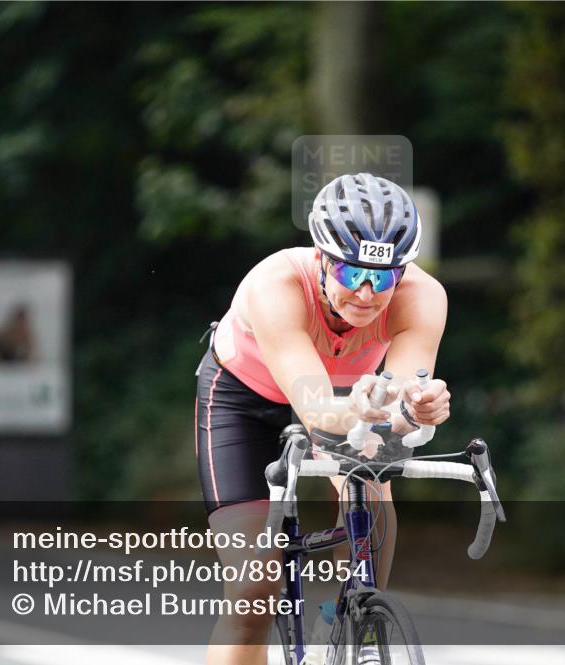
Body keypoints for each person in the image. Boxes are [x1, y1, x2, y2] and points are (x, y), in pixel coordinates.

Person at [194, 173, 450, 665]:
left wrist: (415, 409)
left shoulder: (423, 296)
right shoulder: (275, 284)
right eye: (352, 273)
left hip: (346, 395)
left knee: (373, 482)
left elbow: (394, 402)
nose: (368, 293)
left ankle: (347, 616)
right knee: (254, 591)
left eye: (385, 276)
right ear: (322, 259)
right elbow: (316, 409)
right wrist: (361, 409)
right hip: (244, 401)